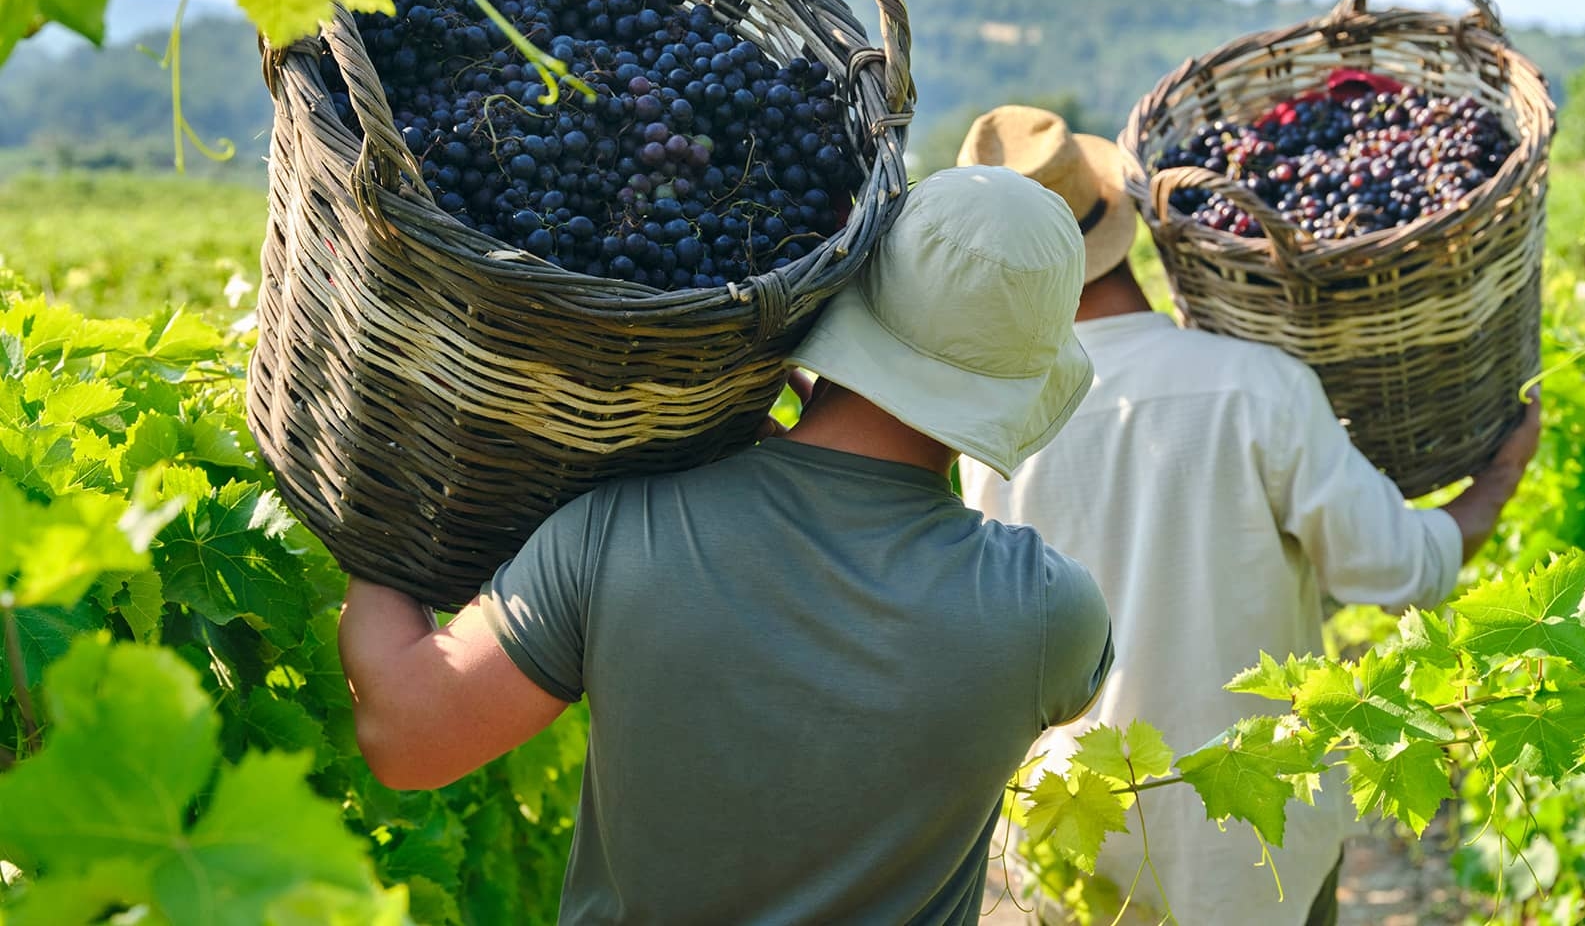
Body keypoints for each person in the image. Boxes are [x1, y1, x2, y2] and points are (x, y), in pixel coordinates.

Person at [338, 166, 1116, 925]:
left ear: (841, 291)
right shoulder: (1050, 614)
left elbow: (409, 740)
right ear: (1021, 384)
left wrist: (378, 504)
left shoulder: (620, 532)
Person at [955, 106, 1542, 926]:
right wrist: (1502, 474)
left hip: (1076, 837)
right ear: (1122, 226)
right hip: (1260, 847)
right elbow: (1396, 567)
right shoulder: (1254, 385)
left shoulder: (991, 433)